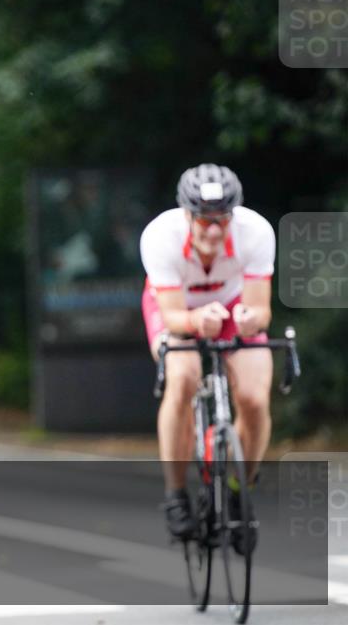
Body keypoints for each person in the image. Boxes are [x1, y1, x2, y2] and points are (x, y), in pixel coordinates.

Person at [140, 164, 274, 555]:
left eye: (222, 220)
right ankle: (176, 493)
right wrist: (197, 321)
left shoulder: (256, 232)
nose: (214, 230)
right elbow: (173, 317)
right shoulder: (160, 237)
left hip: (233, 306)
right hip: (176, 308)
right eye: (204, 220)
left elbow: (261, 311)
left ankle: (238, 491)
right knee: (182, 379)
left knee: (254, 397)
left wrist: (250, 321)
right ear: (187, 215)